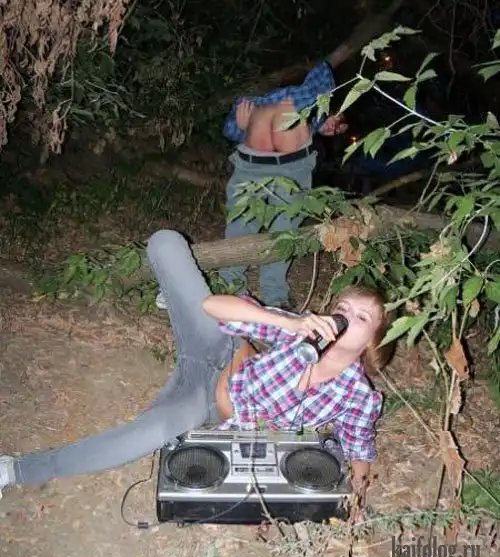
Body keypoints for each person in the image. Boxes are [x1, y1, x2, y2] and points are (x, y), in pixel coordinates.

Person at [0, 229, 393, 516]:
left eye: (362, 317)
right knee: (166, 243)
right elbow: (214, 308)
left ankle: (16, 469)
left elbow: (359, 449)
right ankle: (177, 302)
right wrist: (289, 323)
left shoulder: (356, 396)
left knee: (151, 434)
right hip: (218, 347)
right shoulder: (300, 330)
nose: (346, 316)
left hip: (203, 402)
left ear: (373, 342)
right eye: (342, 307)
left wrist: (356, 501)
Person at [155, 61, 348, 312]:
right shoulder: (249, 100)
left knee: (285, 231)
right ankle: (233, 286)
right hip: (250, 167)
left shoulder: (307, 94)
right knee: (241, 227)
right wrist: (242, 126)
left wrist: (324, 119)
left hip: (293, 169)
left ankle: (275, 293)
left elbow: (322, 76)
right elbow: (231, 131)